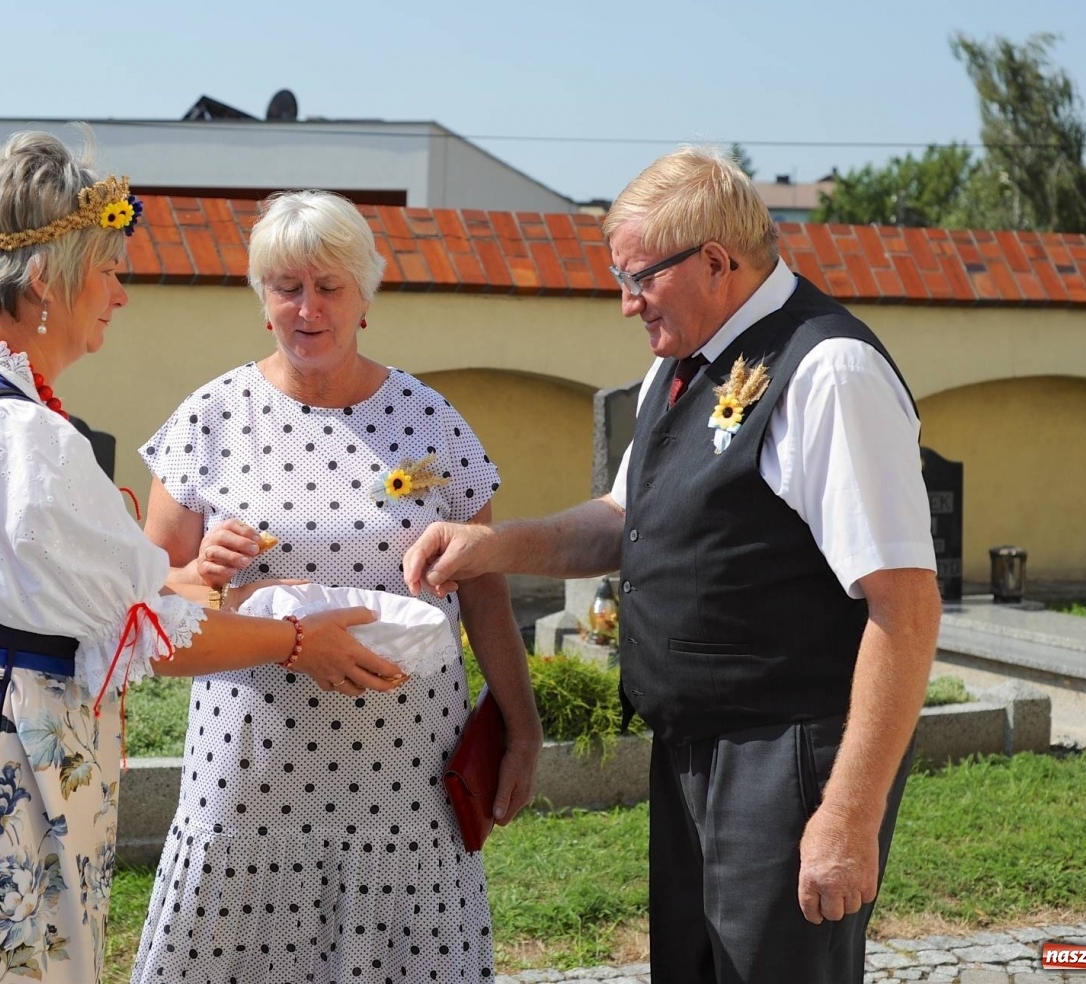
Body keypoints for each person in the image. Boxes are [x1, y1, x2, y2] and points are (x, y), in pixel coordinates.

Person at [0, 134, 404, 984]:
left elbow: (87, 595)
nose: (121, 294)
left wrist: (208, 582)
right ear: (44, 282)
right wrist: (296, 643)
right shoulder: (20, 436)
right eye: (107, 269)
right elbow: (154, 635)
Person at [403, 148, 941, 984]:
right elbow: (624, 519)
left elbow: (904, 610)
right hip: (694, 746)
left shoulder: (830, 371)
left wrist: (848, 813)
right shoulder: (684, 358)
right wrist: (496, 546)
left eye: (637, 277)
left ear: (716, 263)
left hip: (788, 754)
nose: (624, 303)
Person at [130, 190, 543, 983]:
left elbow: (486, 592)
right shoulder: (210, 420)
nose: (307, 308)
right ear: (262, 302)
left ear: (365, 299)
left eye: (329, 287)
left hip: (404, 778)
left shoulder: (433, 423)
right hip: (251, 771)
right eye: (287, 287)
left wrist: (522, 727)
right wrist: (205, 574)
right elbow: (148, 603)